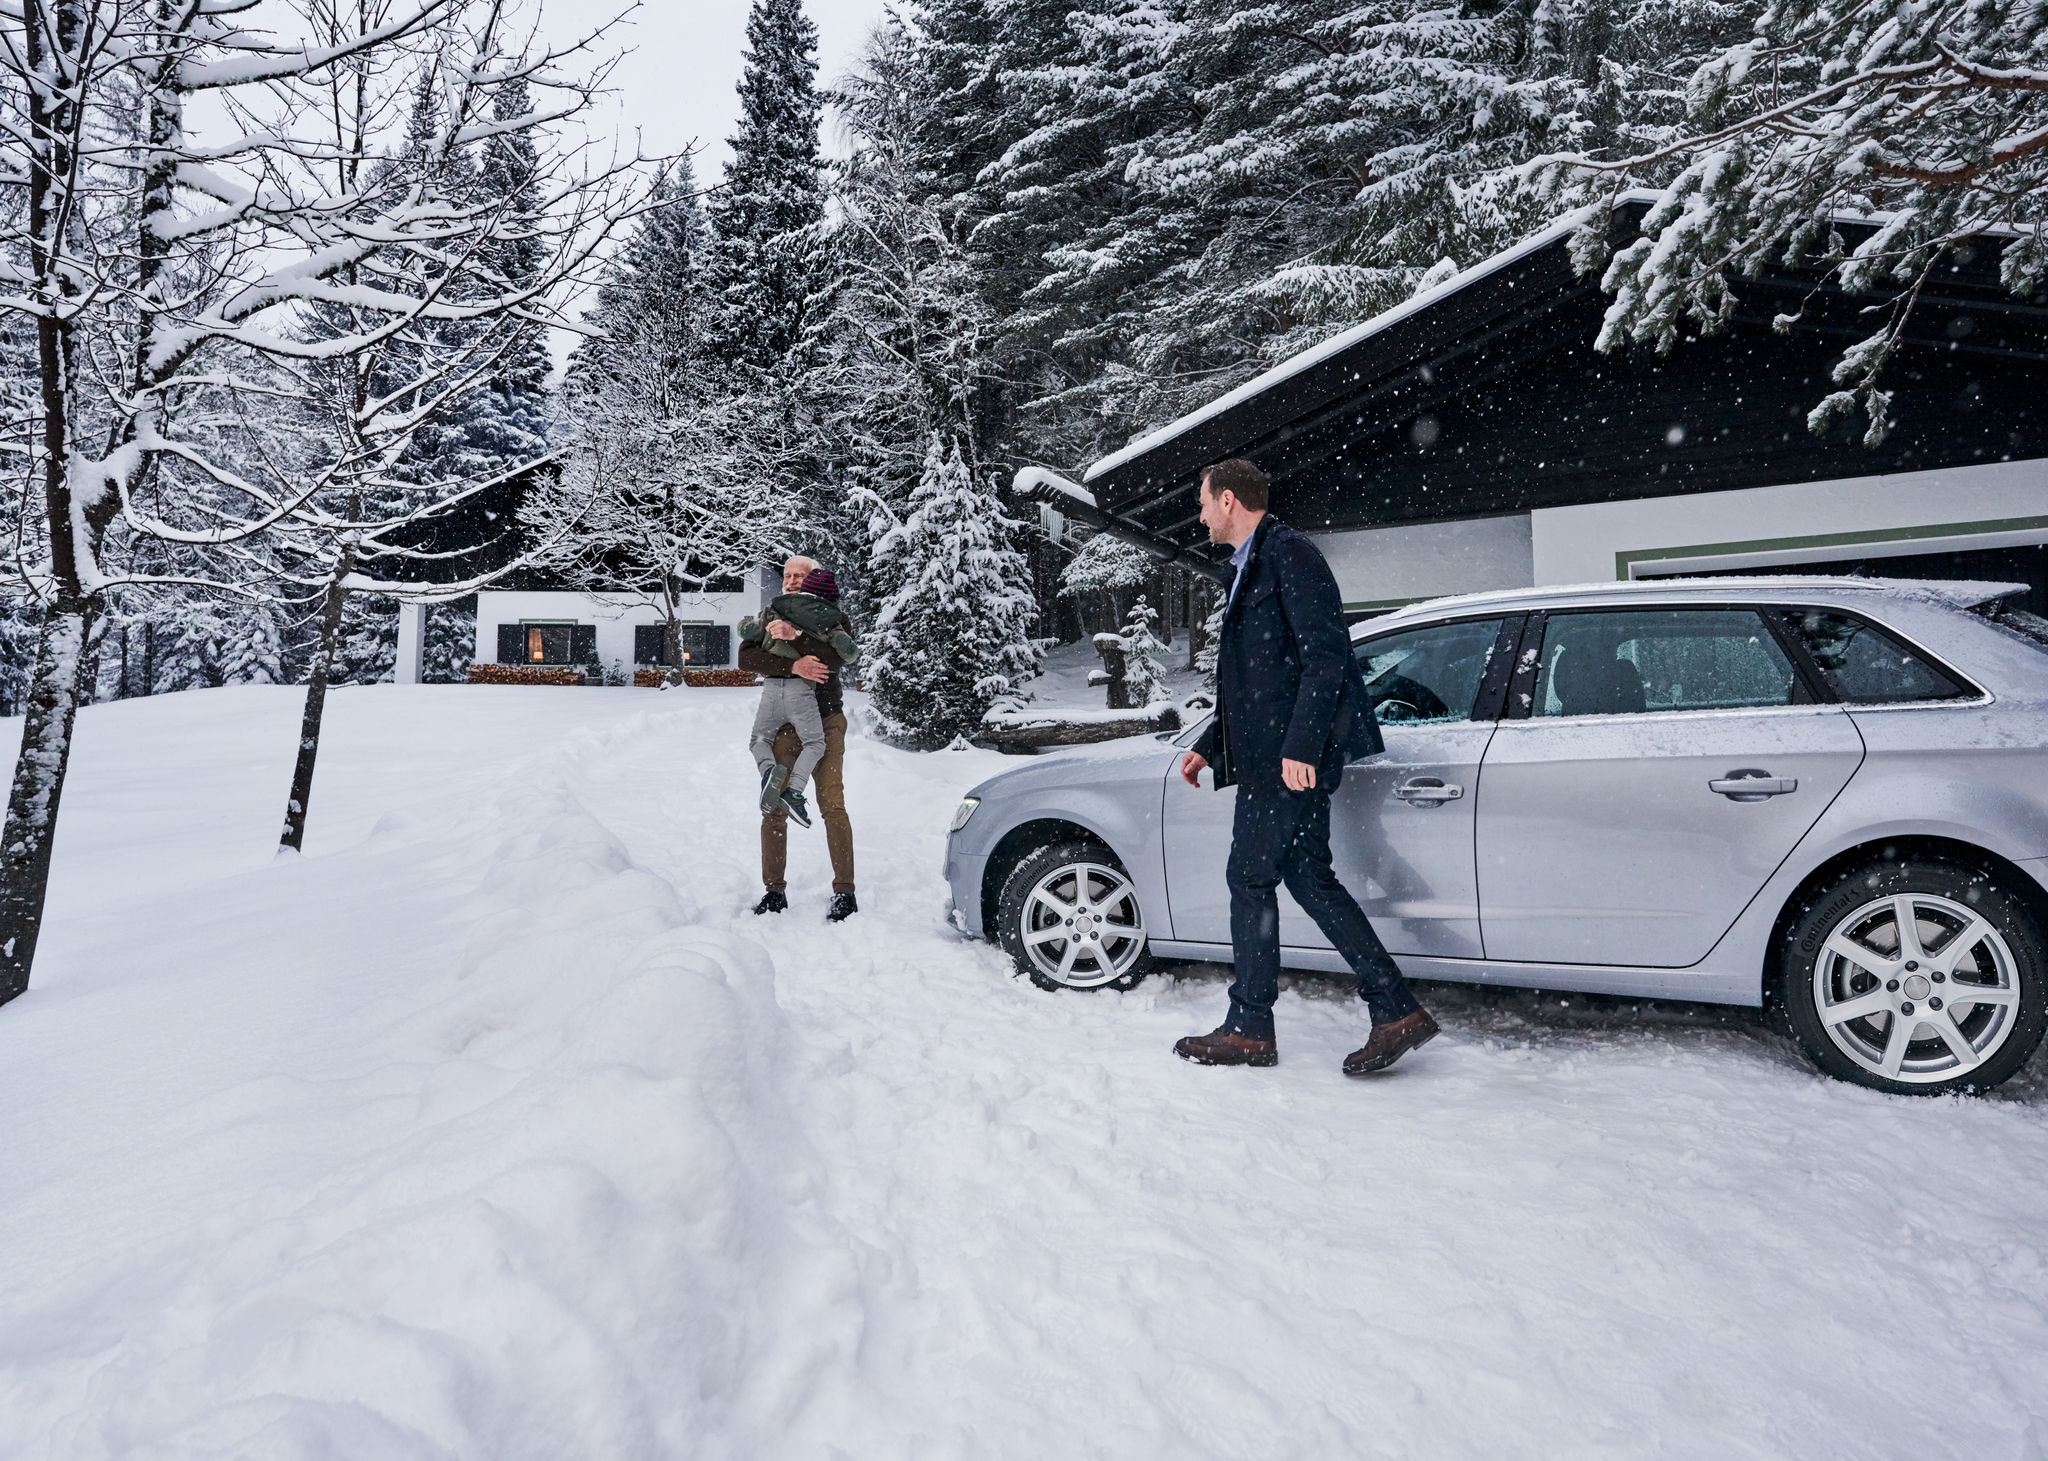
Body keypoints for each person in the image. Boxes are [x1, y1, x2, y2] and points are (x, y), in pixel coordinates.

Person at [1173, 458, 1438, 1075]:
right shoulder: (1250, 565)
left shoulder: (1291, 555)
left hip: (1285, 761)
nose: (1202, 513)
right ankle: (1394, 1007)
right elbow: (1260, 680)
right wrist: (1210, 745)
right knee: (1309, 879)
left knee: (1249, 877)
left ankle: (1249, 1027)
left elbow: (1326, 659)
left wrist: (1299, 747)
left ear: (1231, 500)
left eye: (1205, 502)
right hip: (1275, 752)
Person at [738, 556, 859, 921]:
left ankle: (845, 893)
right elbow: (747, 657)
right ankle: (774, 892)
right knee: (773, 807)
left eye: (799, 575)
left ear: (813, 580)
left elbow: (836, 659)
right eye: (787, 575)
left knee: (832, 805)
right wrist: (792, 665)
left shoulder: (831, 615)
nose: (790, 581)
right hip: (786, 725)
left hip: (828, 719)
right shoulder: (771, 613)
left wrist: (800, 640)